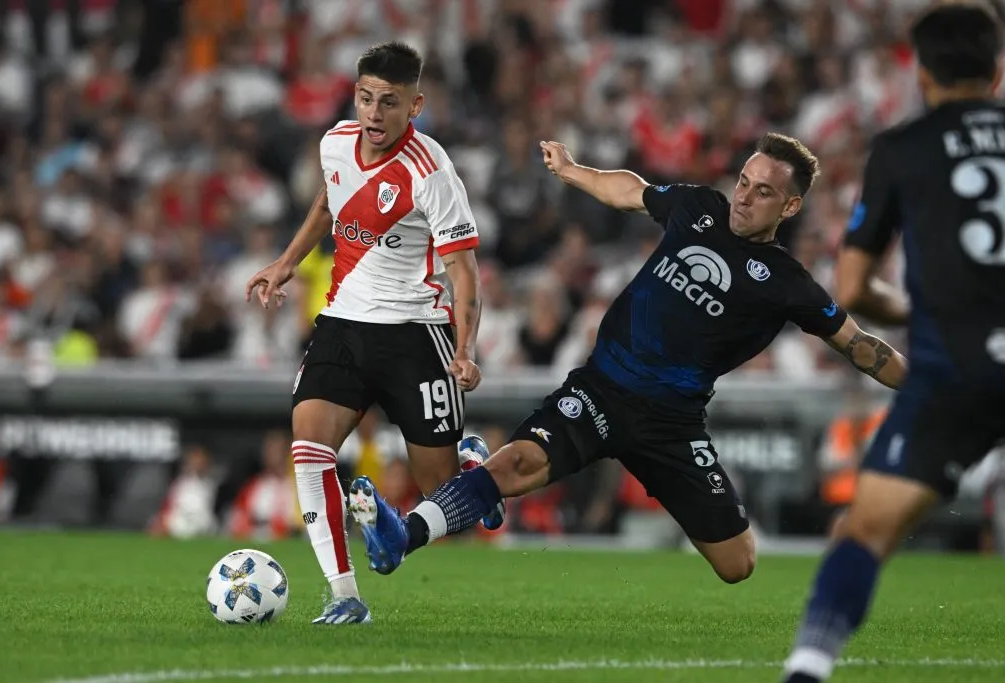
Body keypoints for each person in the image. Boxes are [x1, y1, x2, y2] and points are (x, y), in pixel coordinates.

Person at [344, 131, 908, 585]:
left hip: (672, 423)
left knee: (738, 565)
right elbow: (629, 190)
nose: (744, 195)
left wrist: (932, 384)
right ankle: (404, 534)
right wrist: (571, 171)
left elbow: (861, 346)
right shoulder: (698, 208)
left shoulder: (789, 283)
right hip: (601, 389)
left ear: (791, 205)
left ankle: (474, 478)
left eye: (763, 191)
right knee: (516, 465)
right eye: (743, 180)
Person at [782, 5, 1005, 681]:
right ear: (997, 72)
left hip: (954, 365)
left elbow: (851, 288)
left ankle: (808, 667)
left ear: (924, 76)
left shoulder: (904, 147)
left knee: (865, 531)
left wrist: (913, 307)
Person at [244, 41, 502, 625]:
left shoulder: (432, 172)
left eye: (389, 102)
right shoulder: (334, 142)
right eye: (365, 98)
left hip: (417, 334)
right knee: (308, 450)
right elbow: (328, 200)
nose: (374, 113)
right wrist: (285, 263)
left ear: (416, 105)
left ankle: (474, 470)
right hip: (343, 324)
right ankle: (344, 597)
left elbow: (463, 268)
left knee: (444, 496)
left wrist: (463, 352)